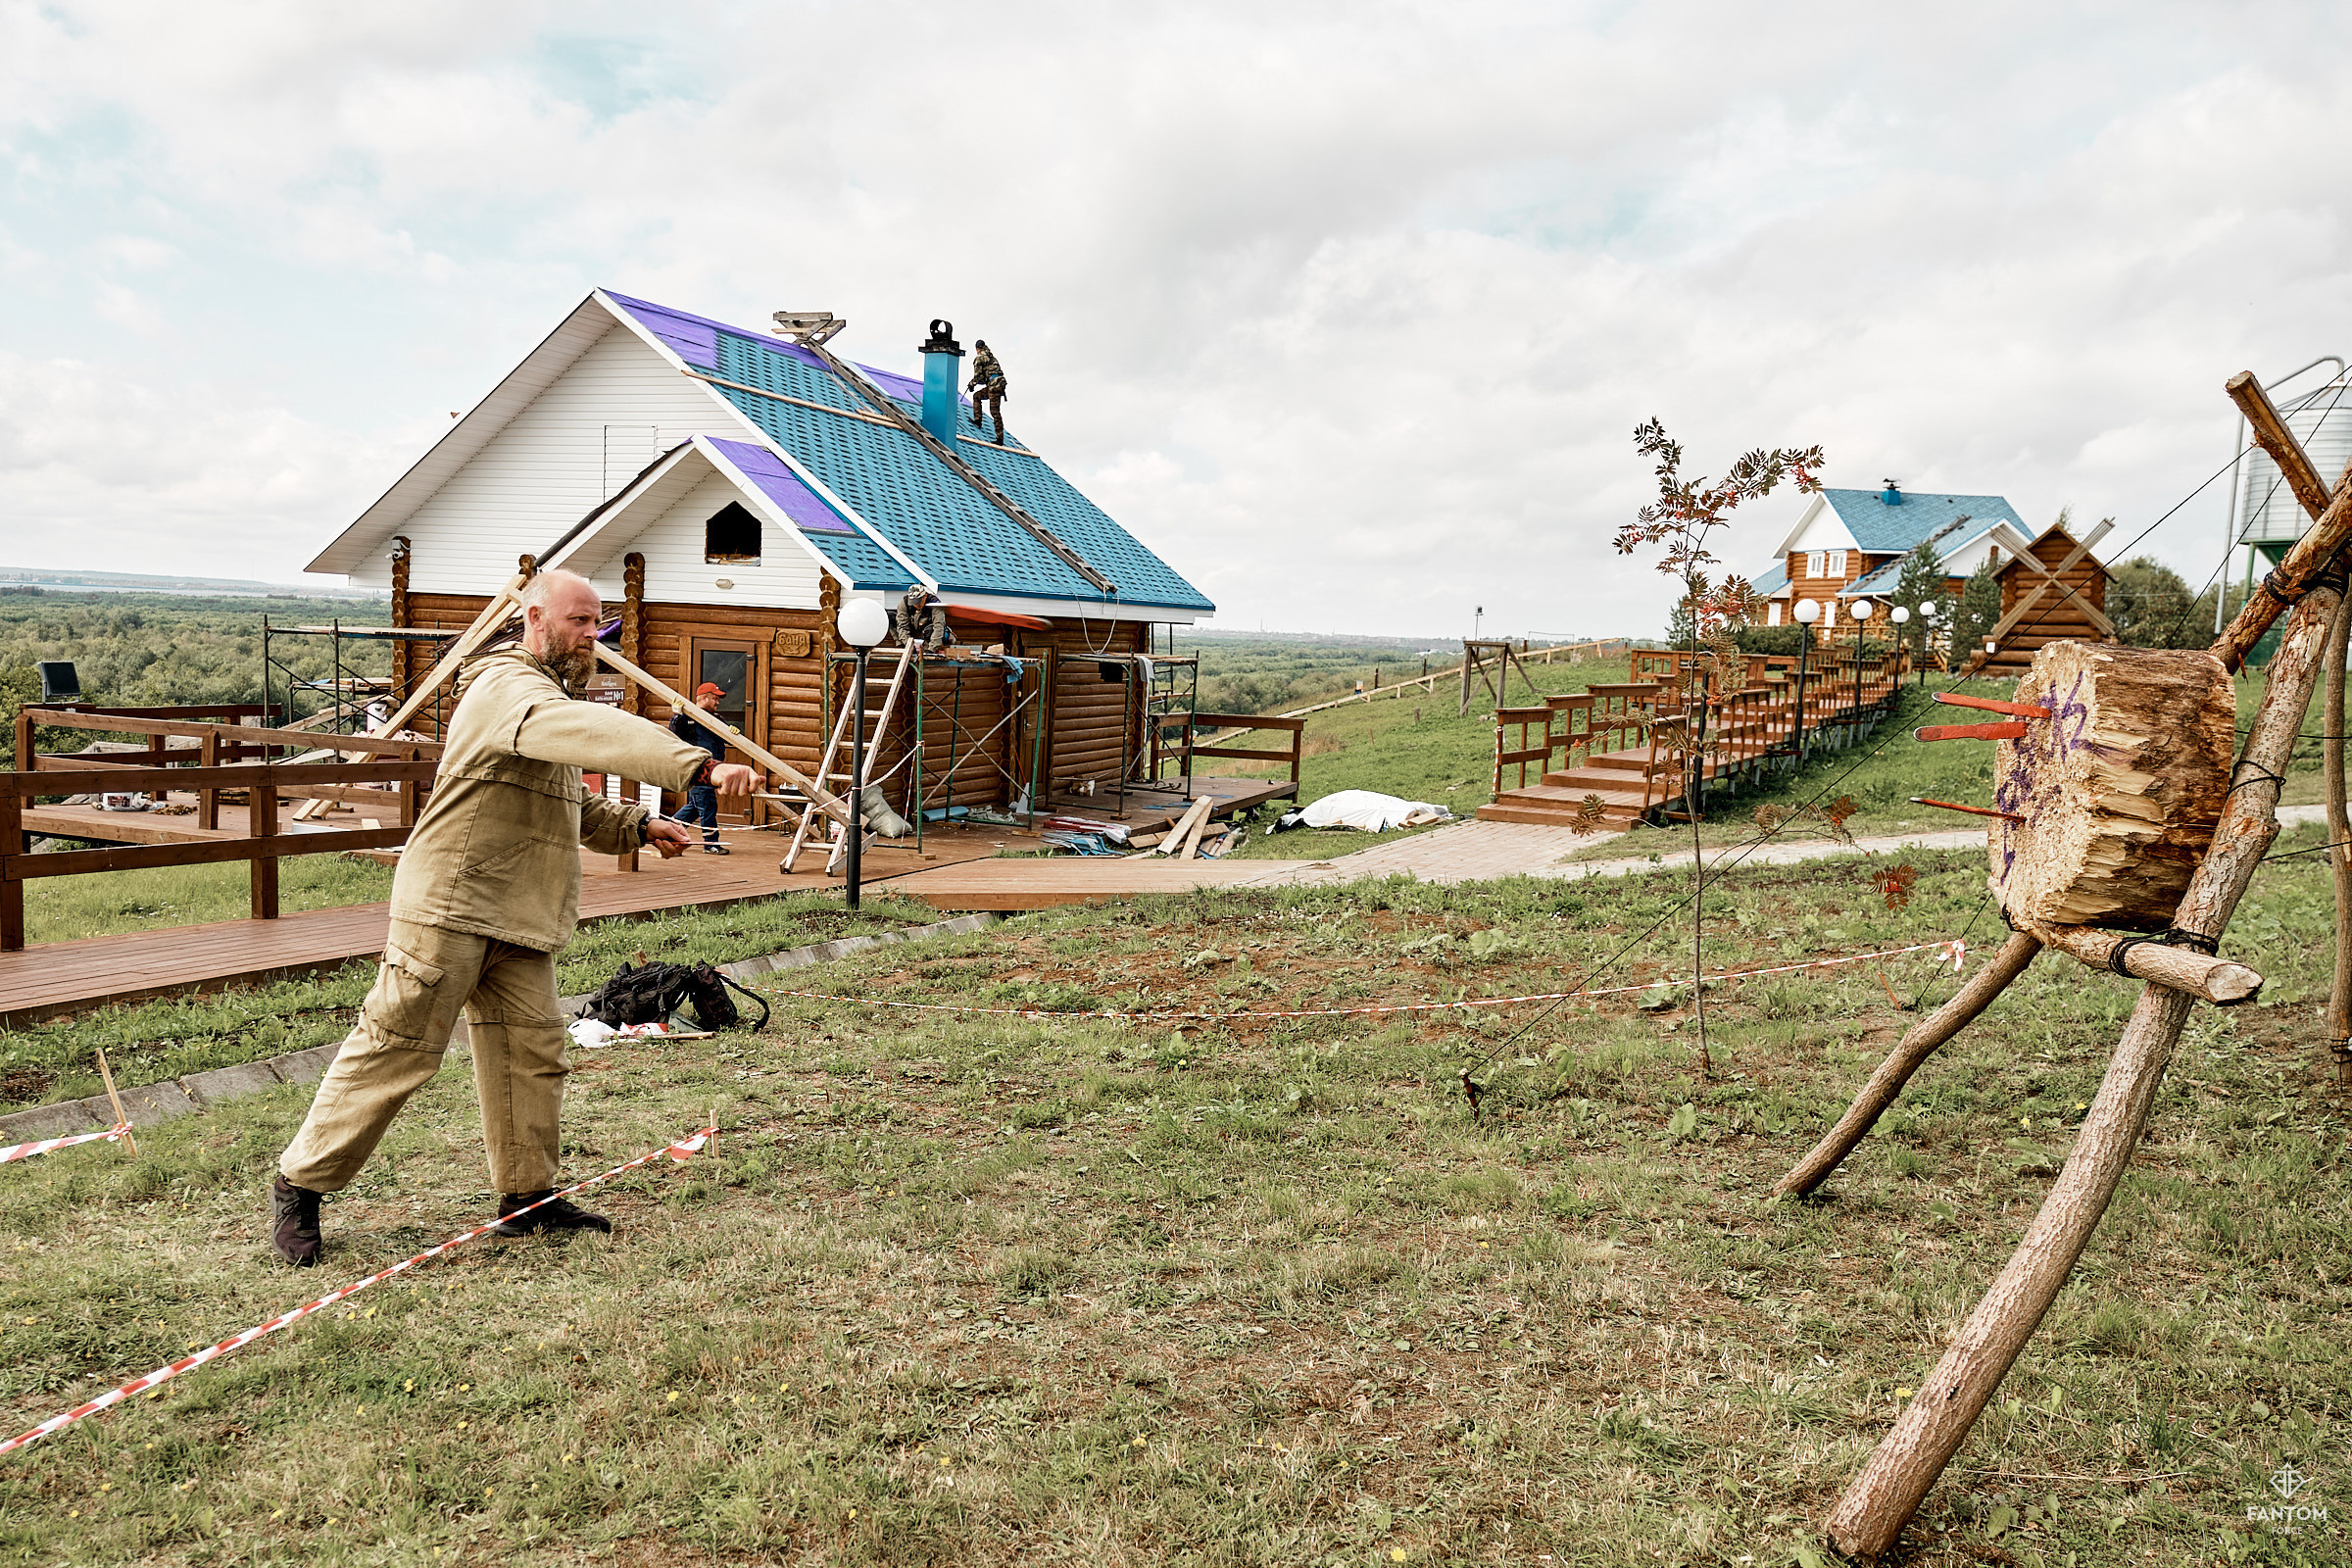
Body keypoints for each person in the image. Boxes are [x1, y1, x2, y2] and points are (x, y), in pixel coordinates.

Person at [269, 569, 755, 1266]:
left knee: (533, 1058)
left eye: (598, 625)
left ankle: (526, 1201)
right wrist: (695, 766)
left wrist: (640, 826)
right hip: (452, 906)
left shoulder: (547, 701)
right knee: (396, 1047)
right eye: (579, 622)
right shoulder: (506, 686)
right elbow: (582, 730)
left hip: (521, 916)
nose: (592, 636)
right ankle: (300, 1184)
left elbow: (569, 803)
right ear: (534, 619)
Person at [668, 683, 730, 855]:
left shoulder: (716, 719)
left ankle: (668, 830)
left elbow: (729, 739)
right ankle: (710, 844)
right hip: (698, 769)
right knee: (707, 805)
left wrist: (733, 732)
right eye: (715, 698)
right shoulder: (687, 718)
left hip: (713, 769)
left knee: (697, 806)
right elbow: (674, 735)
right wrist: (677, 716)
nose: (718, 702)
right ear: (704, 698)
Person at [966, 338, 1007, 445]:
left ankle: (999, 439)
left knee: (994, 411)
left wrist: (972, 384)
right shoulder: (991, 357)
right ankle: (978, 421)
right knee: (977, 396)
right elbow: (986, 377)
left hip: (994, 387)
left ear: (977, 348)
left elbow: (978, 376)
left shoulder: (979, 358)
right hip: (996, 385)